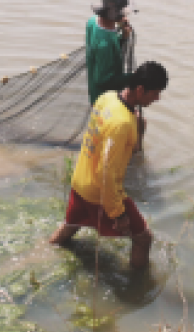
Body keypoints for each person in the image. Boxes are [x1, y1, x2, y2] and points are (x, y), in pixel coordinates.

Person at [49, 61, 168, 269]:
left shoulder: (107, 97)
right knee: (143, 239)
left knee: (71, 226)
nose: (157, 99)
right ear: (140, 90)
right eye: (155, 93)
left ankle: (45, 252)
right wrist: (118, 213)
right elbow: (106, 173)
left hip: (80, 181)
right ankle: (137, 288)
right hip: (99, 192)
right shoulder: (122, 124)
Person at [86, 0, 134, 105]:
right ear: (113, 12)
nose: (124, 15)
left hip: (95, 92)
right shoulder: (104, 45)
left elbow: (105, 52)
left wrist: (123, 36)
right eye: (121, 11)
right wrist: (132, 77)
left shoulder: (93, 21)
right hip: (104, 101)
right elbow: (103, 80)